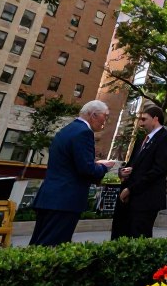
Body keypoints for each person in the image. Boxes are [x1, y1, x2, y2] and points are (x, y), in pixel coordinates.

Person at [29, 100, 116, 246]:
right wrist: (105, 167)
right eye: (105, 116)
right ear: (93, 115)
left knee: (39, 244)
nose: (105, 121)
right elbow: (86, 169)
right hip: (65, 200)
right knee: (52, 247)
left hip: (50, 197)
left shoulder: (67, 130)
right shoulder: (84, 133)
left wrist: (93, 164)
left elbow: (71, 163)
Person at [110, 105, 167, 239]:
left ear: (155, 119)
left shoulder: (166, 139)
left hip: (146, 199)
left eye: (144, 119)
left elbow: (159, 170)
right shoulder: (142, 139)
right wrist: (123, 173)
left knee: (137, 237)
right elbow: (133, 164)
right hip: (129, 198)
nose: (141, 123)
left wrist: (131, 189)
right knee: (120, 235)